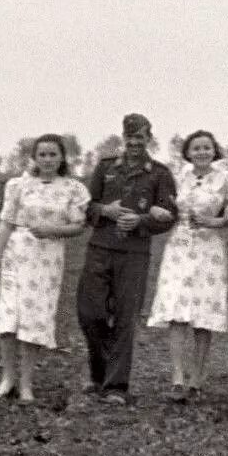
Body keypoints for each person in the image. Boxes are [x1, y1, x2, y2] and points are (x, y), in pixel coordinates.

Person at [77, 112, 178, 405]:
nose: (134, 142)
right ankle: (99, 374)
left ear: (149, 139)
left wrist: (141, 220)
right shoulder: (106, 167)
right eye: (130, 137)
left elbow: (170, 217)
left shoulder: (159, 173)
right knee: (90, 313)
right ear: (123, 138)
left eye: (140, 137)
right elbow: (86, 207)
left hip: (134, 254)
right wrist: (105, 211)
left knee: (124, 317)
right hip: (100, 248)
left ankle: (116, 386)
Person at [0, 134, 89, 404]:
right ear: (34, 157)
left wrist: (53, 230)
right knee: (9, 318)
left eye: (53, 154)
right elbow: (6, 223)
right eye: (42, 154)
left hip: (47, 258)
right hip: (17, 255)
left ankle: (27, 383)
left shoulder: (72, 188)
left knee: (34, 319)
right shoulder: (18, 186)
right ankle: (8, 378)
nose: (47, 160)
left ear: (62, 158)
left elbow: (79, 225)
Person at [147, 130, 228, 402]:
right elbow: (162, 205)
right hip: (179, 247)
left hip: (209, 249)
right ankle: (178, 376)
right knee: (177, 312)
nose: (202, 152)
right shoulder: (177, 177)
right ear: (188, 152)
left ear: (214, 151)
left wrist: (222, 217)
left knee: (204, 314)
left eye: (206, 148)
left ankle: (197, 378)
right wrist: (158, 211)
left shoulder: (226, 179)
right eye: (196, 148)